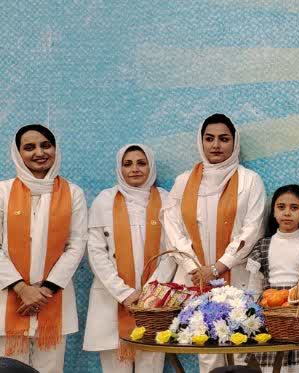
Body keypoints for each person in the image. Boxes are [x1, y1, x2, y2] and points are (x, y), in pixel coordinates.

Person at [161, 113, 267, 372]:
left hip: (238, 276)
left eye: (223, 139)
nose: (216, 145)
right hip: (195, 278)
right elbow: (172, 227)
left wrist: (218, 268)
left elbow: (252, 229)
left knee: (240, 345)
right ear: (201, 142)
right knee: (205, 347)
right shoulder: (184, 182)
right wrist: (194, 268)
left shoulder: (250, 180)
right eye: (209, 139)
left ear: (234, 142)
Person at [0, 125, 87, 371]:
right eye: (29, 147)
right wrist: (22, 289)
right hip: (8, 299)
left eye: (45, 145)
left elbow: (76, 245)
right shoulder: (3, 191)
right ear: (18, 153)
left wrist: (44, 291)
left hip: (53, 300)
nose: (39, 152)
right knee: (9, 369)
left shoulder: (73, 193)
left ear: (55, 149)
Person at [85, 144, 175, 373]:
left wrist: (149, 293)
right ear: (120, 168)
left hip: (154, 302)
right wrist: (124, 293)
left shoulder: (167, 200)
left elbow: (172, 252)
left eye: (141, 163)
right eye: (128, 164)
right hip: (111, 298)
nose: (135, 169)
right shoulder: (104, 201)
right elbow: (96, 253)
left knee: (151, 366)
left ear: (151, 167)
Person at [246, 185, 299, 372]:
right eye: (281, 207)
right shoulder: (262, 245)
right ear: (273, 211)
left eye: (294, 208)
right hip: (271, 317)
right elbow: (254, 287)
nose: (287, 213)